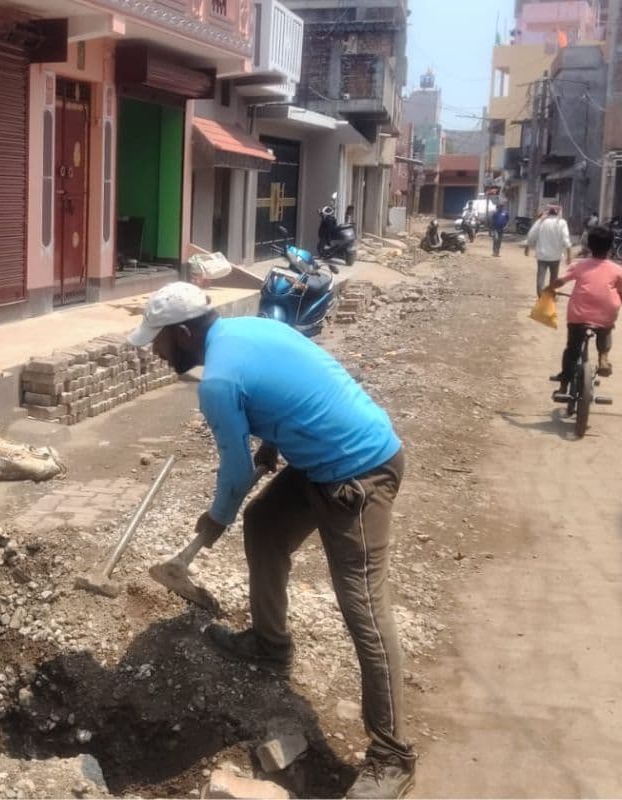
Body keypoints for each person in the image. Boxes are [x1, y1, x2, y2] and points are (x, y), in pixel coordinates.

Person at [129, 283, 415, 800]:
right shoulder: (250, 329)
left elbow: (234, 472)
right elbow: (288, 388)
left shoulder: (217, 381)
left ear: (186, 334)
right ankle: (270, 646)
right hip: (320, 462)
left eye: (159, 341)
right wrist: (270, 444)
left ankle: (393, 754)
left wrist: (215, 520)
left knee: (364, 609)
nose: (154, 351)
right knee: (264, 525)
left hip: (359, 473)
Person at [546, 226, 622, 392]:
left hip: (579, 314)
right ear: (610, 247)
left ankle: (564, 384)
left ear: (589, 245)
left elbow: (560, 281)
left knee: (572, 348)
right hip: (606, 313)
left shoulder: (580, 266)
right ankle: (603, 358)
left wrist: (550, 288)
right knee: (606, 329)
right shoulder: (617, 269)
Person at [524, 205, 573, 297]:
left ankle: (541, 297)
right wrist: (569, 255)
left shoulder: (540, 222)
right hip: (556, 256)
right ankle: (551, 297)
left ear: (548, 212)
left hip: (542, 256)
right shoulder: (562, 222)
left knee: (540, 278)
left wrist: (527, 248)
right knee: (554, 278)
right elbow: (565, 239)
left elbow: (531, 235)